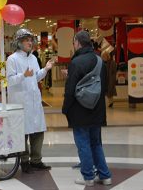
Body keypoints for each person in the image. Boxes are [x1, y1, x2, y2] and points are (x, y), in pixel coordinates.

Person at [62, 31, 112, 186]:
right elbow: (103, 86)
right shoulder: (99, 60)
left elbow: (70, 91)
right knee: (96, 143)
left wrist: (65, 108)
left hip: (80, 110)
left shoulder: (76, 62)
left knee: (83, 143)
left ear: (77, 42)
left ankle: (88, 177)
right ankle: (105, 175)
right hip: (97, 109)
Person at [6, 28, 54, 173]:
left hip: (34, 101)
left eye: (31, 40)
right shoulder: (12, 59)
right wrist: (23, 75)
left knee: (38, 131)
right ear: (19, 42)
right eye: (27, 40)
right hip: (21, 102)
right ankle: (24, 161)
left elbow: (36, 76)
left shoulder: (33, 58)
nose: (30, 42)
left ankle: (36, 160)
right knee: (23, 133)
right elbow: (10, 81)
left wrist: (45, 69)